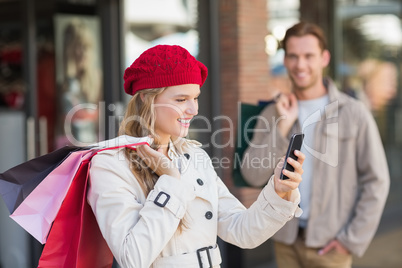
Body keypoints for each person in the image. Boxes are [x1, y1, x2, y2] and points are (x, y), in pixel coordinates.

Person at [87, 44, 305, 268]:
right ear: (145, 98)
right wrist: (171, 180)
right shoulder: (110, 164)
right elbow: (132, 258)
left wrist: (279, 191)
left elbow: (243, 232)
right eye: (181, 100)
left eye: (195, 98)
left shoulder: (193, 155)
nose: (193, 110)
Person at [240, 22, 390, 268]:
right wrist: (282, 127)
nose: (300, 65)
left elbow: (377, 180)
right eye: (293, 56)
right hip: (284, 240)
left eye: (309, 56)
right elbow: (252, 174)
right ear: (285, 60)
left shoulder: (353, 112)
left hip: (331, 245)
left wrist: (351, 240)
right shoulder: (271, 113)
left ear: (324, 58)